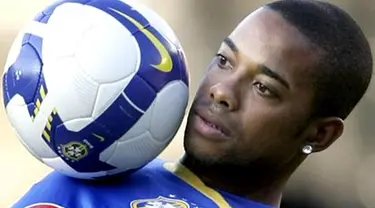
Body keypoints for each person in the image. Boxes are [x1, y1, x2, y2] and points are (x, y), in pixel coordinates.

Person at [13, 0, 373, 207]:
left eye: (263, 87)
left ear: (321, 133)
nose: (221, 91)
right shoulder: (101, 167)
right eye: (224, 60)